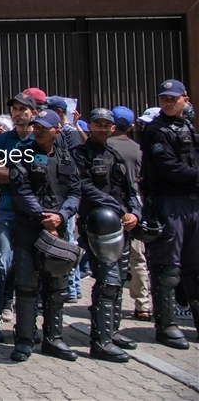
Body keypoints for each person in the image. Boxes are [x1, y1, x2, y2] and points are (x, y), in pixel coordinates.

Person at [7, 108, 82, 362]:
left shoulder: (66, 159)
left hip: (58, 229)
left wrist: (61, 216)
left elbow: (76, 192)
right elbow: (21, 190)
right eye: (36, 126)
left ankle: (54, 339)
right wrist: (43, 217)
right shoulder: (21, 155)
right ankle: (25, 340)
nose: (38, 130)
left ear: (57, 130)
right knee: (26, 286)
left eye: (44, 127)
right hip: (30, 228)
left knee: (57, 286)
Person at [71, 108, 142, 362]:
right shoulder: (79, 155)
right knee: (107, 280)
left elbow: (130, 188)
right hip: (98, 225)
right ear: (89, 126)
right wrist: (119, 209)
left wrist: (134, 212)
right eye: (97, 124)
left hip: (122, 225)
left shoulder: (114, 154)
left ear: (113, 128)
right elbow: (85, 187)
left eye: (106, 125)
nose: (102, 128)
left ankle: (113, 331)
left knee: (120, 277)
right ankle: (100, 341)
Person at [139, 79, 197, 350]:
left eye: (174, 98)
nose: (169, 102)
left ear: (184, 98)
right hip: (168, 202)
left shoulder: (187, 126)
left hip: (192, 202)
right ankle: (166, 325)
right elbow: (167, 168)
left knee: (194, 268)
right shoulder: (155, 130)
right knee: (167, 267)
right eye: (164, 98)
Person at [0, 90, 38, 343]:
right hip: (6, 209)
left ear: (33, 113)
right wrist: (28, 173)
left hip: (36, 213)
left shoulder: (41, 139)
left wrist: (12, 172)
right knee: (0, 265)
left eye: (23, 110)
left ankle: (29, 324)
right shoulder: (1, 141)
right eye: (15, 109)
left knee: (34, 268)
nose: (18, 113)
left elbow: (44, 178)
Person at [106, 106, 152, 322]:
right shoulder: (138, 149)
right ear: (132, 126)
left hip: (108, 206)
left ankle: (112, 302)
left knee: (108, 257)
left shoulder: (103, 147)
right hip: (134, 206)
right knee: (137, 257)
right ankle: (143, 304)